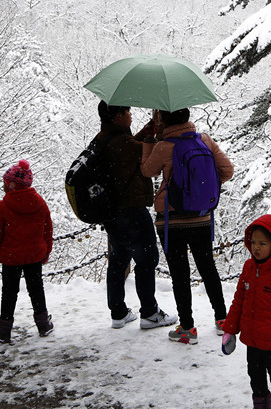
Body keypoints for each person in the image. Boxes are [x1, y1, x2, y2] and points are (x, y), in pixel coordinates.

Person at [141, 107, 234, 345]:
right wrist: (201, 189)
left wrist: (149, 142)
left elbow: (147, 171)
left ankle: (188, 329)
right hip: (201, 216)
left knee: (180, 274)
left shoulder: (163, 147)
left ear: (163, 120)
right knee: (208, 267)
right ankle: (223, 320)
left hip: (171, 220)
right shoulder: (204, 140)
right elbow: (228, 170)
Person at [97, 101, 177, 330]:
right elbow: (146, 152)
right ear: (119, 115)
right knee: (147, 259)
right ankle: (150, 313)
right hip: (131, 210)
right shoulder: (121, 143)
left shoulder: (106, 138)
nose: (131, 115)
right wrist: (158, 132)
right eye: (128, 111)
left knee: (118, 259)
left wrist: (151, 126)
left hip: (113, 211)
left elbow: (134, 143)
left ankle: (118, 312)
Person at [220, 214, 271, 409]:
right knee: (255, 377)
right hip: (252, 341)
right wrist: (230, 329)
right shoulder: (249, 267)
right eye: (253, 242)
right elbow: (239, 299)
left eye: (262, 243)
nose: (256, 247)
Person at [0, 159, 54, 343]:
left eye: (5, 183)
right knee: (37, 289)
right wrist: (46, 252)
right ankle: (43, 324)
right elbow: (48, 230)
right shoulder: (40, 203)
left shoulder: (3, 206)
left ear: (11, 185)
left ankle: (4, 330)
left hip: (11, 257)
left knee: (9, 292)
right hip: (34, 256)